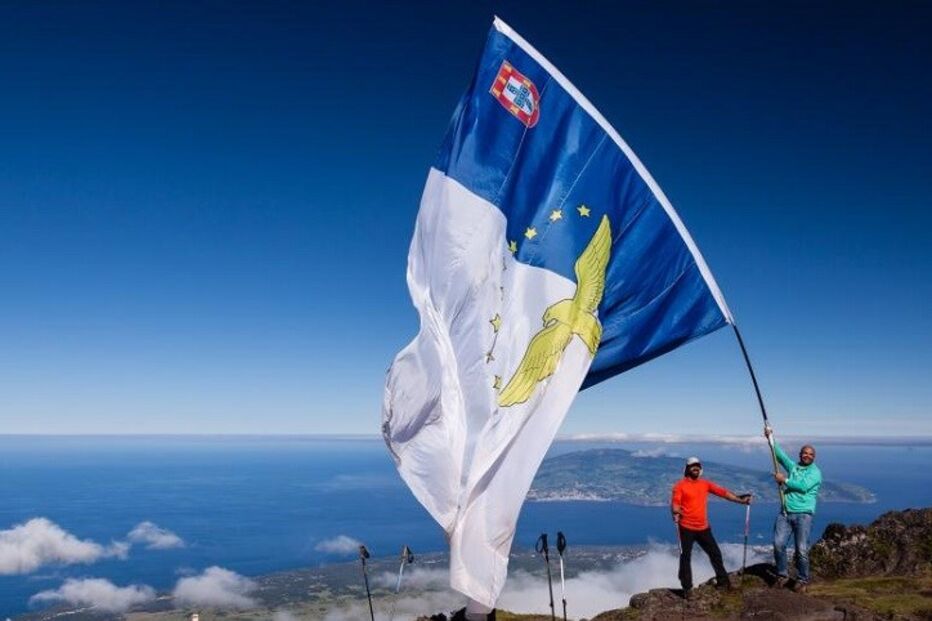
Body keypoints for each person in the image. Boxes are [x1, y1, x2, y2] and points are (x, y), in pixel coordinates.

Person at [671, 456, 751, 598]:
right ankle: (687, 588)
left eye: (698, 466)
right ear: (687, 469)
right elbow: (675, 503)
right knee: (685, 557)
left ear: (700, 469)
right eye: (692, 466)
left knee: (715, 554)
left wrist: (741, 500)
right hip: (686, 527)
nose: (695, 468)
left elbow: (723, 493)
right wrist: (675, 511)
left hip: (703, 528)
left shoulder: (705, 484)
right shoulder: (680, 486)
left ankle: (723, 583)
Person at [765, 425, 822, 592]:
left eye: (810, 454)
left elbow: (803, 487)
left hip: (804, 515)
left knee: (801, 549)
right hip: (785, 513)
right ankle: (782, 575)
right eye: (805, 453)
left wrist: (785, 480)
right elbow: (780, 456)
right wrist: (770, 438)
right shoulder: (794, 467)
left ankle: (802, 580)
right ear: (800, 454)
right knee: (778, 544)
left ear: (814, 457)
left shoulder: (816, 473)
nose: (807, 455)